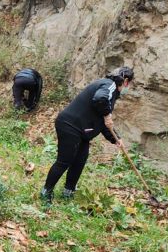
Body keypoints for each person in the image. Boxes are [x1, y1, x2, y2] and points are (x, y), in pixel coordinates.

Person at [40, 66, 135, 203]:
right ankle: (46, 192)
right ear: (125, 81)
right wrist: (108, 114)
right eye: (129, 84)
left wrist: (116, 139)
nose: (128, 87)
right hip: (70, 125)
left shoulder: (111, 92)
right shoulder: (109, 85)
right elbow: (99, 99)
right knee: (64, 160)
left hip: (82, 131)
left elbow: (103, 123)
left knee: (79, 161)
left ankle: (68, 192)